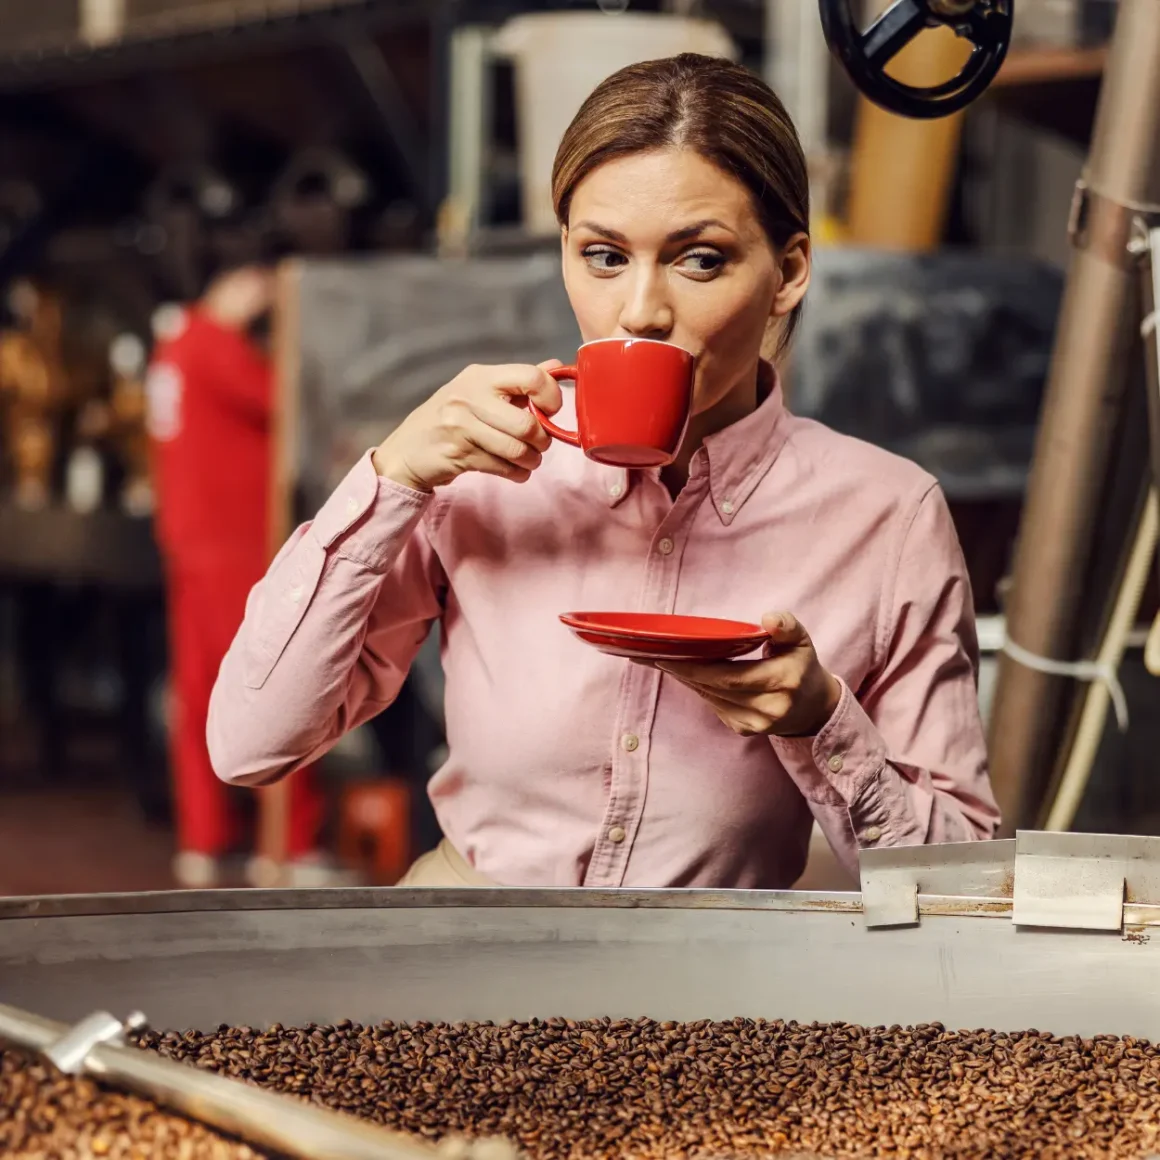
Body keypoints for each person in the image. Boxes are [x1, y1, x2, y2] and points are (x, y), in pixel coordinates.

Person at [208, 55, 1000, 889]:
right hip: (464, 942)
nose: (640, 311)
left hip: (709, 981)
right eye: (604, 256)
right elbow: (250, 745)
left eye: (699, 259)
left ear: (789, 272)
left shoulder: (886, 514)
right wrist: (392, 476)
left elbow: (958, 883)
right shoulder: (479, 468)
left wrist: (819, 721)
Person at [148, 266, 331, 888]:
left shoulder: (174, 344)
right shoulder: (212, 343)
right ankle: (287, 845)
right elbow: (286, 401)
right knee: (273, 679)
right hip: (235, 543)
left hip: (191, 539)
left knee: (199, 692)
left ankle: (203, 840)